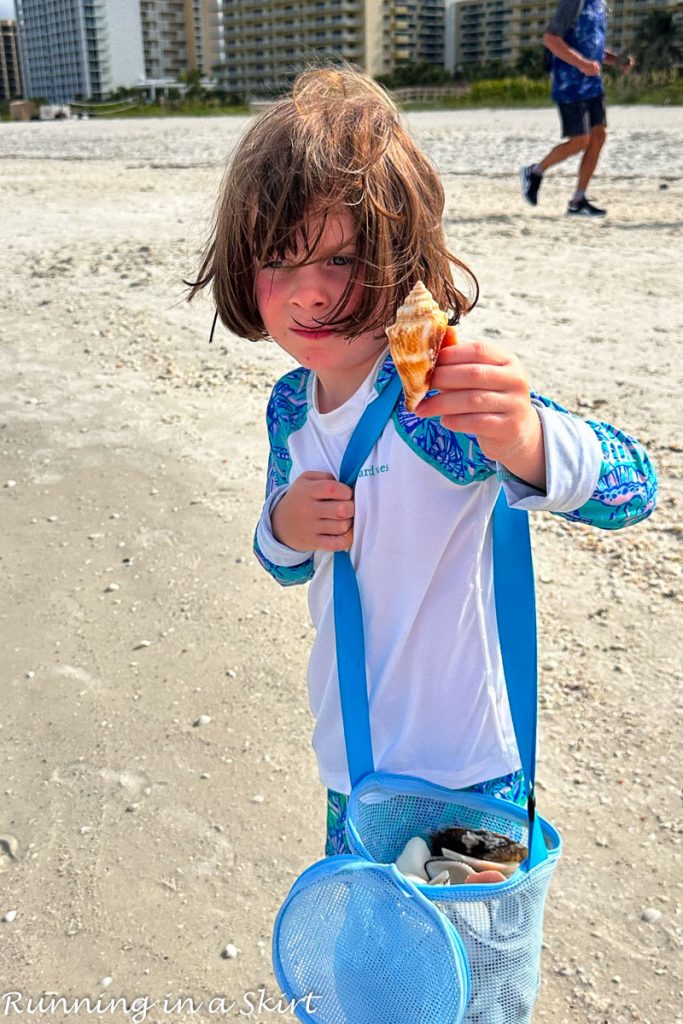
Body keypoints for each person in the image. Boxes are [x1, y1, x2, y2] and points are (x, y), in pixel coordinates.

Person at [188, 67, 656, 860]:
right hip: (351, 761)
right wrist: (283, 524)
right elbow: (283, 563)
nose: (307, 295)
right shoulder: (289, 408)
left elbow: (631, 487)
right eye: (277, 259)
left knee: (468, 972)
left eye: (338, 260)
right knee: (370, 965)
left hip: (464, 773)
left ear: (400, 257)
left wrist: (526, 441)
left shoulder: (434, 394)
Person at [520, 0, 635, 217]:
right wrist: (582, 64)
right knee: (580, 140)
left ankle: (578, 200)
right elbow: (550, 39)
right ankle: (534, 171)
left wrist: (617, 61)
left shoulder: (600, 5)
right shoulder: (575, 2)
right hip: (569, 84)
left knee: (599, 136)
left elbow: (592, 45)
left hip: (593, 84)